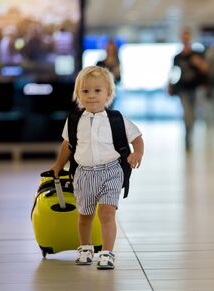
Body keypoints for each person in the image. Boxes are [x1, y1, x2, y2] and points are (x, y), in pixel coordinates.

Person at [50, 66, 144, 269]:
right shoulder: (74, 120)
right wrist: (58, 165)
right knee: (85, 215)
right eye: (85, 91)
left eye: (97, 91)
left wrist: (137, 153)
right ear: (78, 95)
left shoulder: (116, 119)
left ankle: (107, 252)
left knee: (107, 212)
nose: (91, 96)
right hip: (83, 173)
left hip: (111, 171)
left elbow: (137, 138)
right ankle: (85, 248)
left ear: (108, 94)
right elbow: (67, 144)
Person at [171, 29, 208, 151]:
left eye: (188, 37)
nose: (186, 40)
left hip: (196, 89)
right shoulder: (177, 57)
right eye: (184, 37)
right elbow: (173, 73)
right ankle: (188, 138)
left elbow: (206, 69)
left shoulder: (197, 54)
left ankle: (189, 134)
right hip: (183, 89)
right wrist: (170, 85)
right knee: (187, 114)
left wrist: (198, 63)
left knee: (193, 114)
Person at [96, 39, 121, 109]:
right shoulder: (100, 63)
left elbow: (118, 80)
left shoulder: (117, 63)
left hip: (112, 92)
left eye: (112, 49)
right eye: (109, 49)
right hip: (100, 92)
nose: (111, 51)